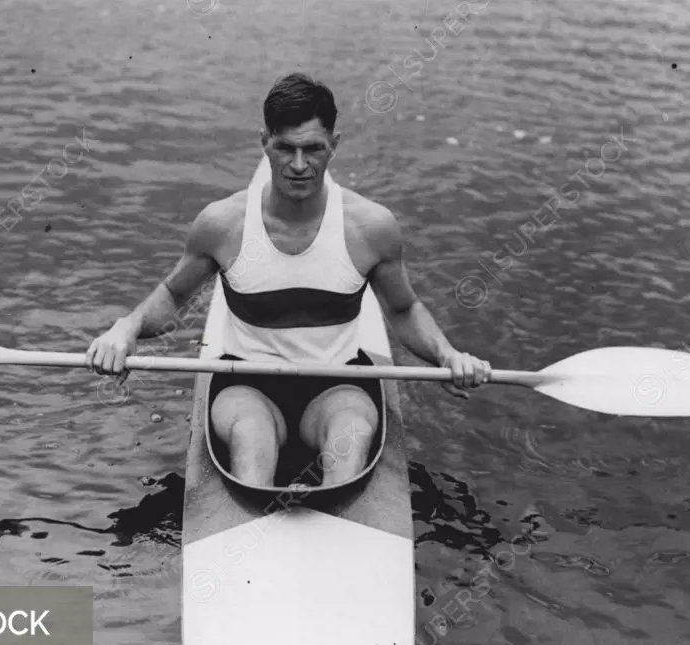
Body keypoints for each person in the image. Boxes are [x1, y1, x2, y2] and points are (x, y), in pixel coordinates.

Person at [86, 72, 491, 488]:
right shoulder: (222, 224)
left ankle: (334, 501)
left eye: (313, 149)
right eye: (285, 149)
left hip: (340, 382)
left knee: (351, 439)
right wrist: (127, 328)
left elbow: (403, 309)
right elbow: (173, 296)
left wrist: (447, 355)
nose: (299, 165)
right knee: (251, 436)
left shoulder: (371, 227)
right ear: (264, 142)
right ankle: (258, 509)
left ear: (335, 144)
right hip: (247, 384)